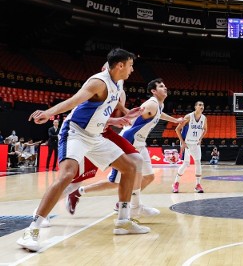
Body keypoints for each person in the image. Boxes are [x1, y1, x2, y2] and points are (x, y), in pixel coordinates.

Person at [17, 48, 147, 252]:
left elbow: (101, 111)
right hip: (76, 132)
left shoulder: (117, 84)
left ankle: (123, 221)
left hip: (95, 137)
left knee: (130, 167)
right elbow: (73, 102)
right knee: (67, 175)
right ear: (120, 65)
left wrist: (127, 115)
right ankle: (32, 229)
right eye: (130, 65)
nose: (132, 70)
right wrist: (48, 113)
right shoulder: (98, 82)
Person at [68, 78, 181, 217]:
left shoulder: (159, 105)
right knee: (114, 183)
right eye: (161, 86)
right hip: (130, 141)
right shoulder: (151, 103)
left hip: (140, 143)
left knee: (149, 177)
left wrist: (175, 120)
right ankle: (79, 192)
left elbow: (159, 114)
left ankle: (131, 203)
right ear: (153, 91)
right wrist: (113, 121)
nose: (165, 88)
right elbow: (134, 117)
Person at [173, 100, 207, 193]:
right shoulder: (188, 116)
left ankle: (197, 185)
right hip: (187, 143)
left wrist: (200, 139)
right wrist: (182, 142)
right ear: (195, 107)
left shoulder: (204, 118)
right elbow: (177, 129)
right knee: (186, 164)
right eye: (200, 105)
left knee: (198, 162)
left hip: (195, 143)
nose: (202, 106)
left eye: (203, 105)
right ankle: (176, 183)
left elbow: (205, 129)